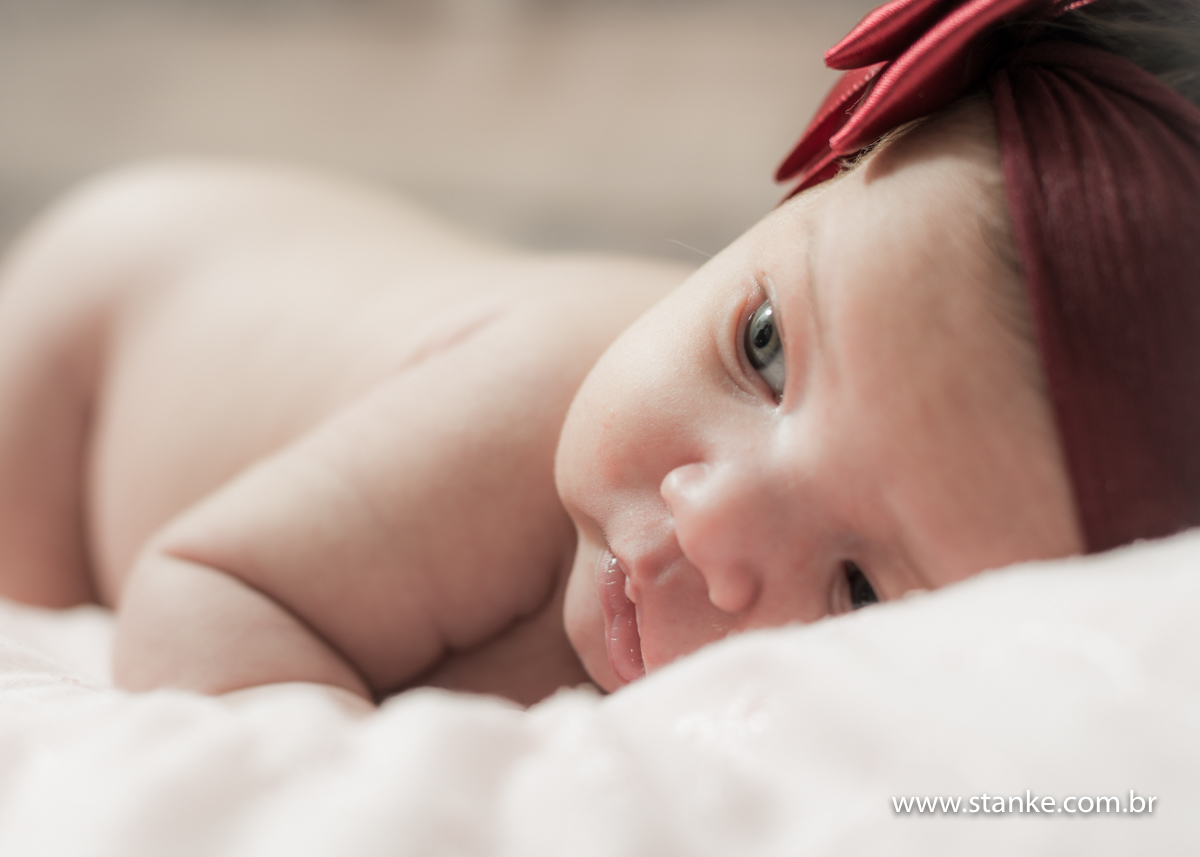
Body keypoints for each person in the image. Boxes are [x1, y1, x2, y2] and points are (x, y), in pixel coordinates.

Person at [0, 0, 1196, 707]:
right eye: (765, 347)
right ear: (804, 190)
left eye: (862, 589)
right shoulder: (523, 401)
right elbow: (209, 587)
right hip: (95, 344)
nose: (710, 514)